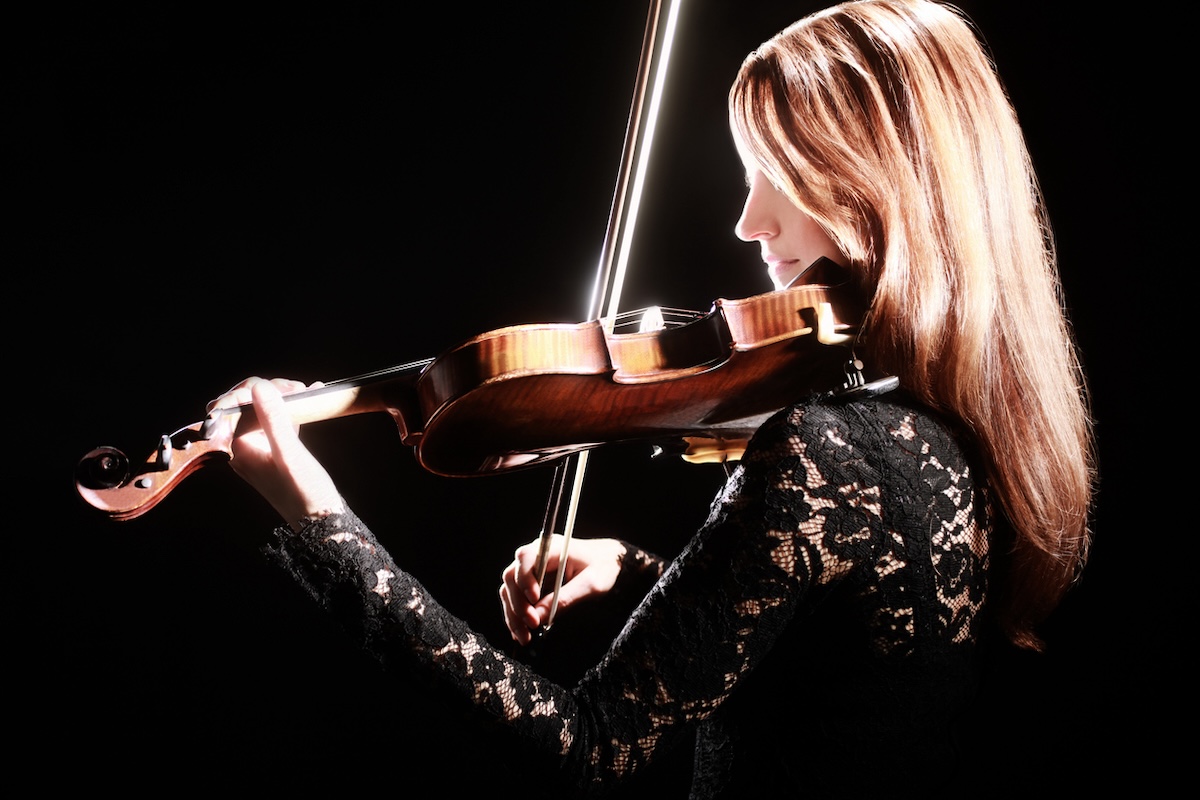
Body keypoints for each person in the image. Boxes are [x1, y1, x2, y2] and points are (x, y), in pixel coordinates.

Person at [212, 0, 1094, 794]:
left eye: (779, 171)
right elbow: (836, 685)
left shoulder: (831, 453)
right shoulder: (956, 438)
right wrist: (647, 576)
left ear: (880, 179)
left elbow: (587, 746)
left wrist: (319, 520)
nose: (751, 222)